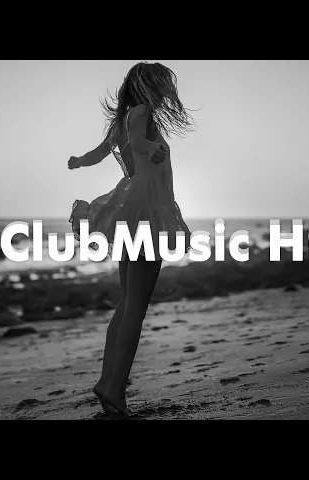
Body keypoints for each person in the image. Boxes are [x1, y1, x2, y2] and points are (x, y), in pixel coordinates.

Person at [67, 62, 194, 417]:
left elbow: (98, 154)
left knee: (127, 303)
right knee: (136, 306)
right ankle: (114, 389)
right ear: (148, 87)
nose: (166, 92)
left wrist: (78, 161)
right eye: (162, 85)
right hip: (146, 212)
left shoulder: (120, 120)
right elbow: (138, 140)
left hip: (130, 210)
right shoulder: (140, 113)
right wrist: (149, 148)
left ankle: (107, 381)